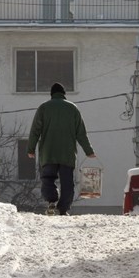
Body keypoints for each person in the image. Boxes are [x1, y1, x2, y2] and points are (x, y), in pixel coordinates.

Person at [27, 82, 96, 215]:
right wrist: (89, 151)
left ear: (51, 94)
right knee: (67, 183)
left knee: (48, 178)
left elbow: (35, 130)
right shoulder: (73, 109)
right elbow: (81, 133)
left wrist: (30, 149)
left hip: (48, 152)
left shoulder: (44, 108)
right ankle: (63, 209)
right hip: (67, 154)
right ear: (64, 94)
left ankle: (52, 201)